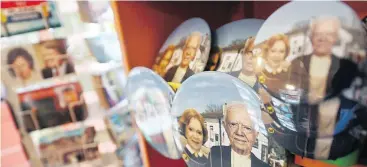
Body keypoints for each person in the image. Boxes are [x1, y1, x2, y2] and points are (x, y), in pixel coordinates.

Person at [290, 16, 341, 103]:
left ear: (335, 38)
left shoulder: (346, 66)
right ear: (311, 37)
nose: (322, 38)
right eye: (318, 34)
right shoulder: (296, 63)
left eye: (329, 34)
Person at [208, 102, 267, 167]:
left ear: (256, 133)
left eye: (247, 127)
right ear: (225, 127)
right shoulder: (215, 153)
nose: (239, 132)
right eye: (233, 124)